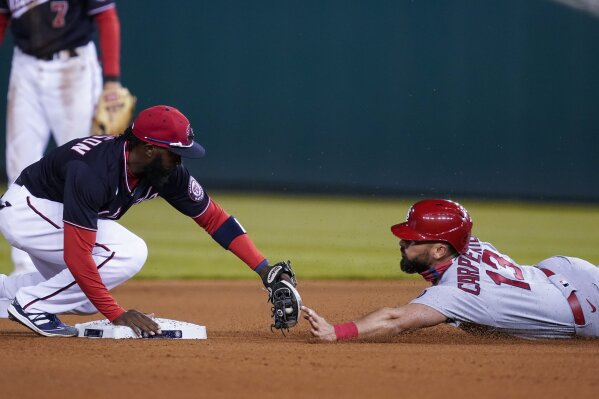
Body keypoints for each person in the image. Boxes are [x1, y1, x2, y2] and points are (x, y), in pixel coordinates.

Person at [0, 105, 297, 337]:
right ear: (150, 148)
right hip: (28, 210)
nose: (181, 161)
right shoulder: (93, 171)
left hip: (51, 214)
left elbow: (214, 219)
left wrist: (263, 268)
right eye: (176, 154)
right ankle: (31, 305)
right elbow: (77, 255)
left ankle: (9, 295)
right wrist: (117, 313)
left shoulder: (166, 172)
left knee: (86, 298)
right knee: (127, 251)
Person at [303, 199, 599, 341]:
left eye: (413, 239)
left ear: (440, 250)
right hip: (568, 273)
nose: (403, 242)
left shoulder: (455, 293)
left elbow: (395, 320)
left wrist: (336, 332)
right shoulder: (468, 243)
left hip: (587, 310)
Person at [0, 0, 123, 274]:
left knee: (83, 169)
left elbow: (106, 17)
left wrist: (112, 79)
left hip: (74, 67)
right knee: (19, 166)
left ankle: (84, 262)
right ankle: (24, 269)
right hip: (25, 67)